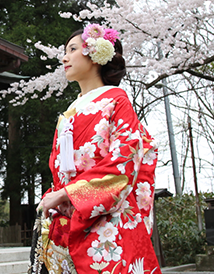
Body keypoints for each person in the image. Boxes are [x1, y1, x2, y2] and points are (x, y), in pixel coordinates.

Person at [31, 24, 161, 274]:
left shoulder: (117, 101)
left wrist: (67, 194)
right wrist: (58, 196)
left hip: (105, 224)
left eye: (72, 49)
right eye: (64, 51)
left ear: (96, 55)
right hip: (67, 221)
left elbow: (123, 165)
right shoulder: (72, 109)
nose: (64, 57)